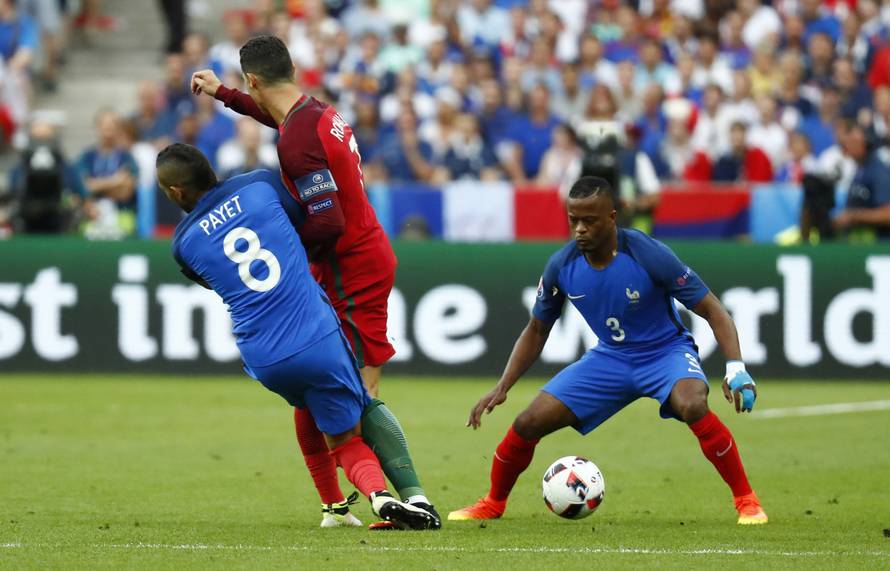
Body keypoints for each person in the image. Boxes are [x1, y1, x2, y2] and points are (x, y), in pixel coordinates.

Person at [190, 35, 438, 528]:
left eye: (245, 86)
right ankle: (337, 506)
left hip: (351, 269)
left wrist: (287, 252)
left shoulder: (297, 137)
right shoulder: (314, 112)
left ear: (255, 80)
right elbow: (281, 123)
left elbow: (327, 222)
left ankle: (413, 499)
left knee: (352, 394)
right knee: (315, 388)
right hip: (359, 257)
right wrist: (224, 93)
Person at [448, 176, 768, 526]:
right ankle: (493, 502)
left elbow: (713, 309)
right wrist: (503, 386)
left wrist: (735, 367)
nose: (580, 229)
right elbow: (537, 329)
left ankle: (747, 500)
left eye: (590, 220)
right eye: (574, 220)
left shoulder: (647, 253)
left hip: (665, 353)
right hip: (611, 359)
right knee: (528, 422)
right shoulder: (562, 266)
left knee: (692, 404)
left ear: (612, 217)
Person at [156, 143, 437, 531]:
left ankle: (335, 509)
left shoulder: (182, 246)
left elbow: (216, 279)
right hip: (315, 335)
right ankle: (383, 496)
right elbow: (312, 223)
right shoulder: (259, 186)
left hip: (263, 356)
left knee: (309, 404)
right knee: (348, 429)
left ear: (174, 192)